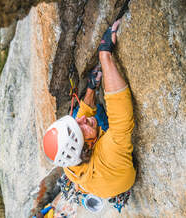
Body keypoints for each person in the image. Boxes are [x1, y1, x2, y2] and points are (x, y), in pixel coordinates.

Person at [42, 19, 136, 199]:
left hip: (102, 183)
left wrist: (92, 88)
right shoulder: (108, 153)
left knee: (82, 112)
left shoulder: (69, 163)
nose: (80, 120)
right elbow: (122, 115)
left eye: (74, 124)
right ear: (88, 147)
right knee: (100, 115)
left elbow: (80, 122)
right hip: (117, 169)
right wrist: (105, 56)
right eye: (79, 129)